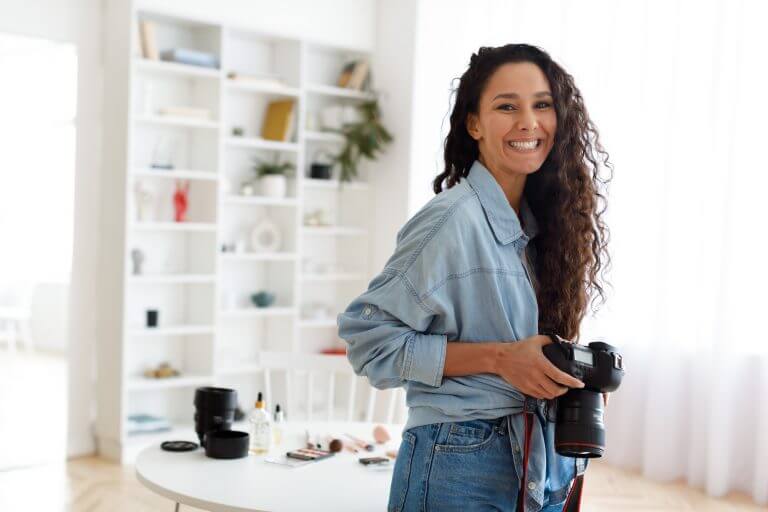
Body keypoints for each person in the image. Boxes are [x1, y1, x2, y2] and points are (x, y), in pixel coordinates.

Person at [337, 43, 613, 512]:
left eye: (542, 104)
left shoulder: (540, 226)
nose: (528, 121)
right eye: (507, 106)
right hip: (459, 460)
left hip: (537, 459)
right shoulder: (451, 221)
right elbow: (369, 341)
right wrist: (502, 359)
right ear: (474, 124)